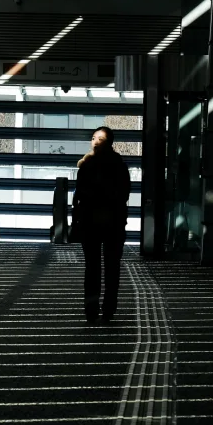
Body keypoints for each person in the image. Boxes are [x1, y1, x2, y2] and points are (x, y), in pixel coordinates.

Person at [72, 126, 130, 324]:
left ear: (109, 142)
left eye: (101, 139)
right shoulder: (119, 166)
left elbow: (80, 194)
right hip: (113, 223)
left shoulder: (88, 166)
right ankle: (107, 310)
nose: (95, 141)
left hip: (92, 222)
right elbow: (124, 195)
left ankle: (92, 310)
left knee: (93, 268)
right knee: (110, 267)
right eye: (94, 137)